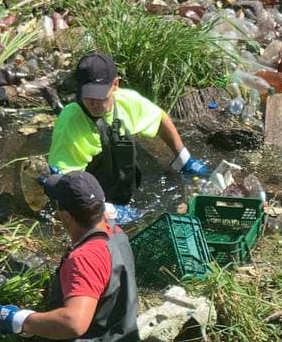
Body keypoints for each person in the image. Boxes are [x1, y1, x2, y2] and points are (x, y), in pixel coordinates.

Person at [0, 170, 140, 342]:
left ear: (67, 216)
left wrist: (19, 320)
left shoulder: (84, 258)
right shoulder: (116, 234)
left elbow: (74, 323)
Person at [47, 51, 211, 221]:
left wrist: (184, 158)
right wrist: (102, 209)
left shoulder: (128, 102)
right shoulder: (70, 122)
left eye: (99, 95)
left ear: (115, 85)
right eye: (87, 96)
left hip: (121, 181)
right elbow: (64, 184)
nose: (93, 103)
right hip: (89, 193)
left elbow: (160, 118)